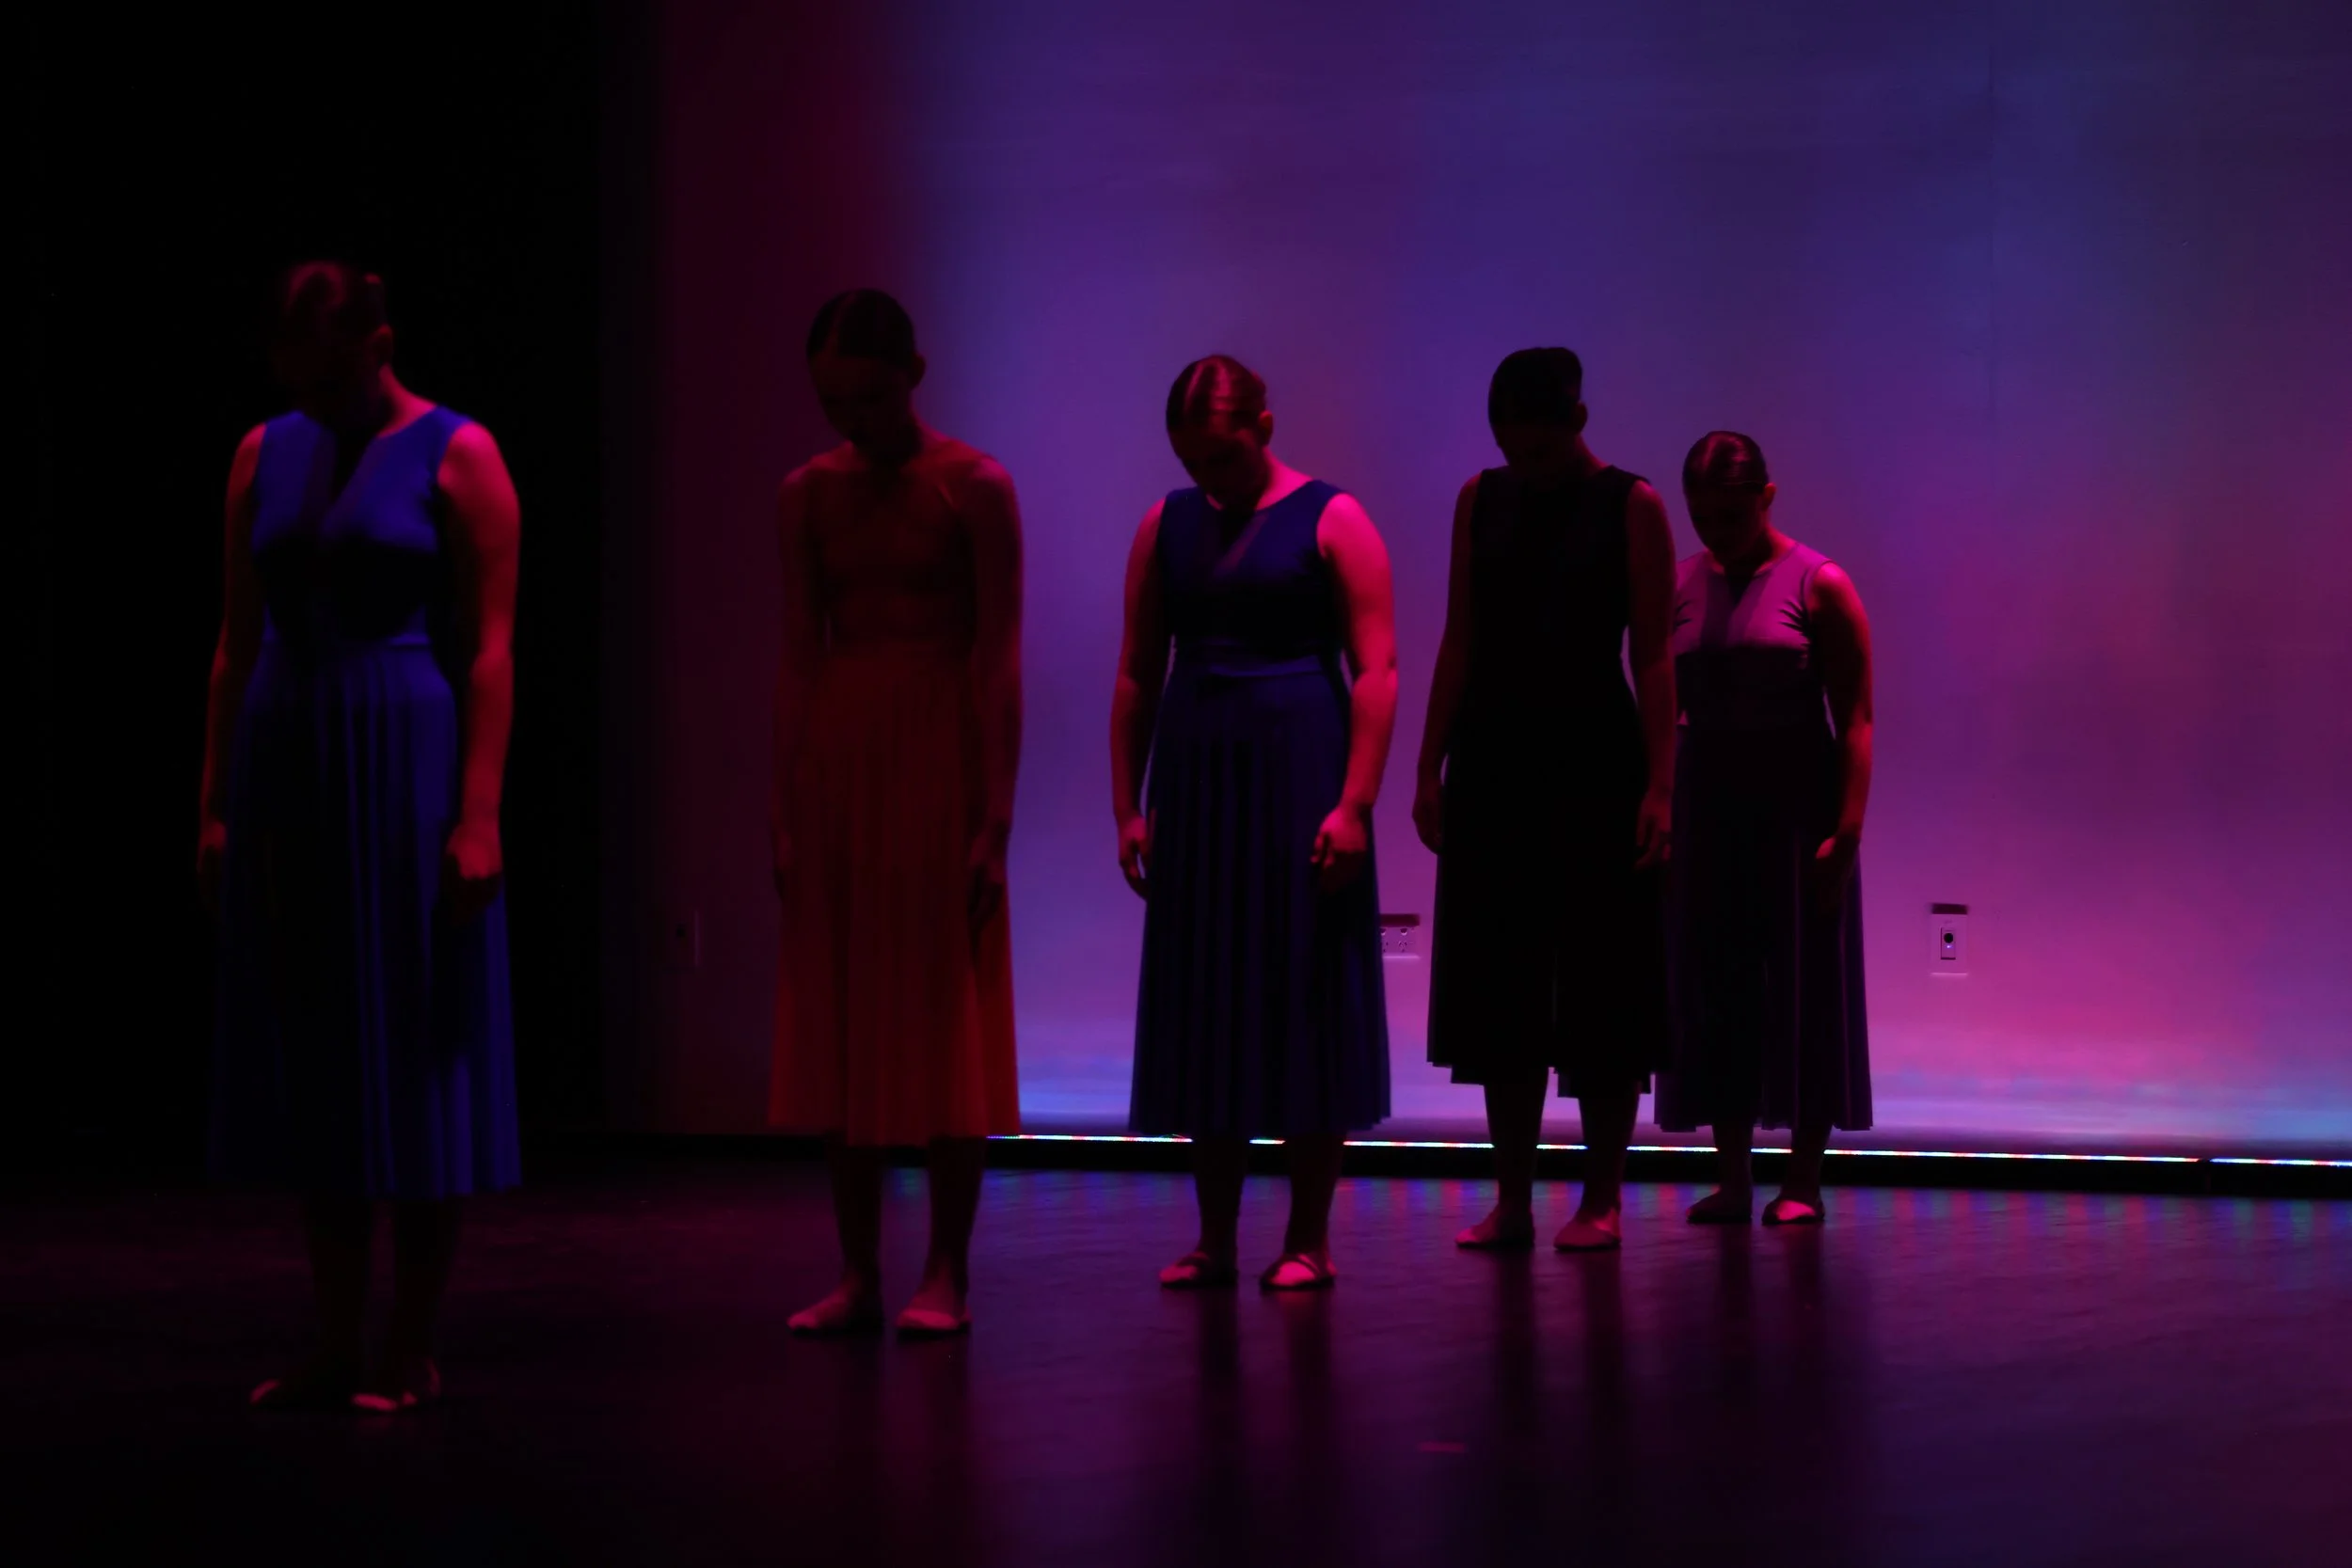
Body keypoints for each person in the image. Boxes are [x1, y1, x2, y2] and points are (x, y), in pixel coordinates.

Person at [201, 261, 522, 1412]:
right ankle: (337, 1338)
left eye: (333, 377)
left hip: (401, 748)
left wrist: (477, 812)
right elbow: (236, 640)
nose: (316, 400)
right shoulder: (263, 449)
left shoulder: (459, 451)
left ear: (380, 346)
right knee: (320, 1049)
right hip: (289, 746)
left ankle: (410, 1343)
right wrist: (215, 802)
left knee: (416, 1037)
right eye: (300, 379)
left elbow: (491, 646)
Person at [1114, 355, 1398, 1291]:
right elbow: (1136, 671)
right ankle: (1215, 1237)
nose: (1212, 477)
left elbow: (1377, 669)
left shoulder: (1333, 516)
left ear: (1264, 429)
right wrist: (1127, 804)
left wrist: (1354, 803)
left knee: (1304, 987)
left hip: (1298, 767)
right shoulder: (1166, 523)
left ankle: (1308, 1236)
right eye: (1194, 461)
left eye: (1225, 456)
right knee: (1210, 994)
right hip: (1200, 773)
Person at [770, 290, 1024, 1337]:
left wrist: (994, 822)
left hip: (935, 751)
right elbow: (798, 655)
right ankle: (857, 1270)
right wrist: (785, 806)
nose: (852, 419)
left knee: (944, 1011)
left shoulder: (974, 486)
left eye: (868, 397)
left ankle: (946, 1268)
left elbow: (998, 657)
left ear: (913, 375)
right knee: (844, 1010)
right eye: (833, 401)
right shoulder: (807, 493)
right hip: (844, 751)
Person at [1415, 347, 1677, 1253]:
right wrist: (1428, 763)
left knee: (1604, 977)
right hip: (1495, 754)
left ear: (1576, 423)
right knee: (1503, 981)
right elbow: (1460, 635)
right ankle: (1515, 1198)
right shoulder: (1480, 498)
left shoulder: (1631, 504)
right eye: (1511, 448)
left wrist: (1661, 782)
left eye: (1538, 448)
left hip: (1595, 755)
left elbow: (1653, 654)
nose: (1524, 465)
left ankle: (1602, 1196)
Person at [1656, 432, 1874, 1224]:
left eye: (1733, 515)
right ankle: (1733, 1175)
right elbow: (1661, 704)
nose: (1718, 531)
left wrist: (1847, 829)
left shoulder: (1820, 583)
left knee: (1805, 980)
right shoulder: (1679, 585)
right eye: (1703, 517)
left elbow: (1856, 716)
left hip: (1795, 806)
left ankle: (1803, 1180)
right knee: (1718, 983)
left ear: (1767, 498)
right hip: (1708, 803)